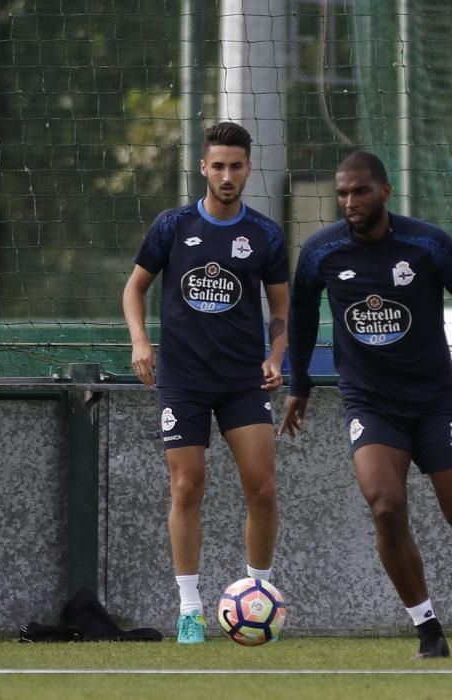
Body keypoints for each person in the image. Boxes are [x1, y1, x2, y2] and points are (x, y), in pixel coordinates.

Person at [279, 151, 452, 659]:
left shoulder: (427, 244)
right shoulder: (322, 252)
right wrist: (297, 384)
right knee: (386, 508)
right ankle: (429, 632)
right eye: (342, 193)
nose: (349, 202)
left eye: (360, 191)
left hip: (434, 403)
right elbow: (300, 316)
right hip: (369, 404)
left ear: (385, 192)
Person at [122, 122, 289, 644]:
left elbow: (282, 308)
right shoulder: (172, 226)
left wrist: (276, 355)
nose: (227, 175)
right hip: (184, 380)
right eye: (217, 165)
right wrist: (140, 343)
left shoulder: (264, 234)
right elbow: (134, 289)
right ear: (202, 168)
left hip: (242, 380)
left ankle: (257, 595)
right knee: (186, 485)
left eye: (235, 166)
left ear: (248, 169)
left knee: (261, 489)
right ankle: (190, 607)